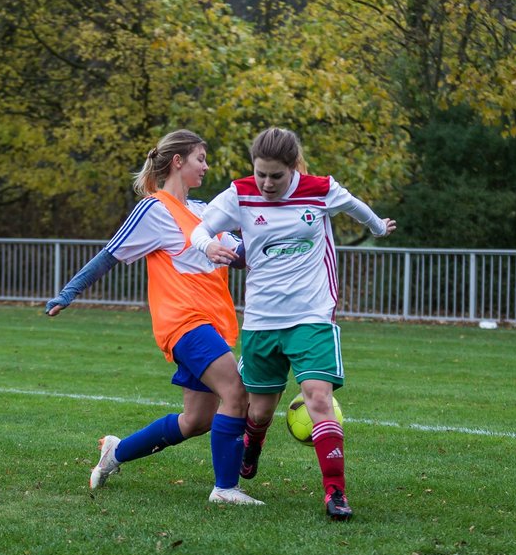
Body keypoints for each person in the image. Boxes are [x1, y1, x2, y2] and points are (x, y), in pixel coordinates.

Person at [191, 127, 396, 521]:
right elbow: (200, 228)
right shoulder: (240, 192)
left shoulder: (320, 189)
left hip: (312, 315)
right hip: (262, 320)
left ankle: (335, 493)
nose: (267, 183)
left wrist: (377, 228)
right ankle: (254, 442)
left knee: (319, 399)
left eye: (276, 176)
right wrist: (208, 245)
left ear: (293, 167)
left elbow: (355, 207)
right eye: (261, 173)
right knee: (259, 411)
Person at [46, 129, 260, 506]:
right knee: (235, 392)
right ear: (178, 162)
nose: (206, 167)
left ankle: (116, 452)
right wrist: (69, 291)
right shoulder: (153, 208)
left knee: (196, 421)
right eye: (200, 159)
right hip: (184, 322)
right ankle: (225, 489)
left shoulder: (204, 212)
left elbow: (241, 256)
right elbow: (109, 254)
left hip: (213, 323)